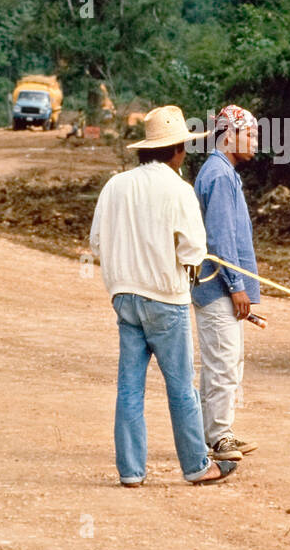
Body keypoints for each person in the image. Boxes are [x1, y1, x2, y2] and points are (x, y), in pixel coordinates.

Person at [88, 105, 238, 487]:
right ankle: (196, 466)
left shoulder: (115, 186)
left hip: (124, 297)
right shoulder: (179, 189)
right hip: (165, 300)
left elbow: (96, 242)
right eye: (183, 147)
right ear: (174, 150)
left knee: (129, 388)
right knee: (181, 388)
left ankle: (131, 471)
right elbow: (192, 252)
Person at [192, 105, 261, 463]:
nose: (255, 142)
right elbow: (220, 239)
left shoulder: (225, 173)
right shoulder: (219, 175)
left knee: (226, 360)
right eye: (249, 134)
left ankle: (219, 431)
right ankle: (219, 437)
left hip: (224, 287)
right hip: (218, 286)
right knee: (222, 361)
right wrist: (236, 286)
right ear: (229, 135)